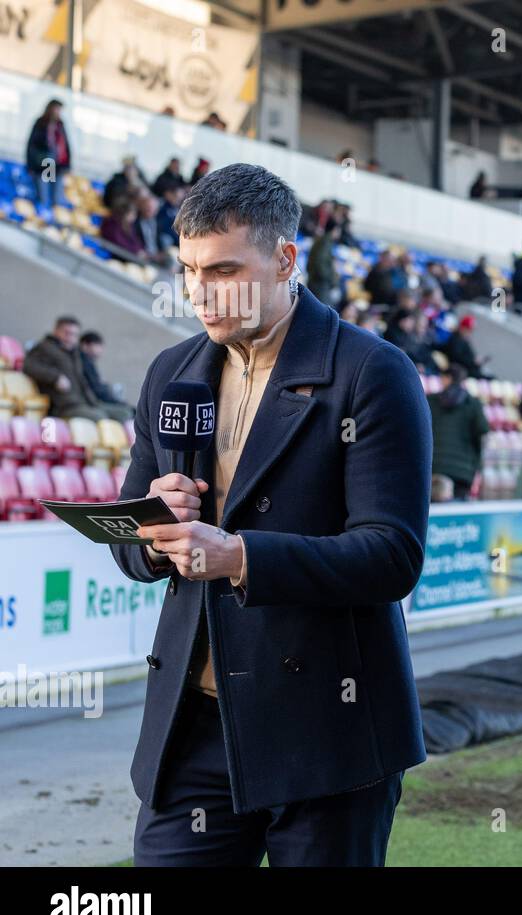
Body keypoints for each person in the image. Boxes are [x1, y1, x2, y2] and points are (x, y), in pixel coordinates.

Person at [108, 162, 432, 866]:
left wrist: (242, 556)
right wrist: (155, 532)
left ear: (286, 259)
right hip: (194, 728)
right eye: (188, 270)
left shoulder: (373, 371)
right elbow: (130, 541)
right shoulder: (171, 371)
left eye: (223, 270)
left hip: (329, 732)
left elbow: (391, 554)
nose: (199, 293)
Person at [24, 316, 132, 422]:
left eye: (74, 335)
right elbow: (28, 366)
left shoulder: (74, 353)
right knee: (99, 417)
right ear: (56, 331)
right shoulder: (44, 347)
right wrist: (55, 377)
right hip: (64, 406)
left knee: (125, 414)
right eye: (67, 333)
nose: (70, 338)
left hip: (87, 402)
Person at [428, 364, 490, 501]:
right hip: (463, 470)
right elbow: (483, 433)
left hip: (434, 468)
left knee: (432, 514)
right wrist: (477, 465)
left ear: (447, 378)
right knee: (457, 513)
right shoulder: (473, 403)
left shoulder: (431, 401)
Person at [78, 330, 135, 419]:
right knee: (126, 413)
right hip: (92, 403)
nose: (101, 350)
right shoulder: (84, 363)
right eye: (98, 345)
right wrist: (117, 402)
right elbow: (98, 391)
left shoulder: (87, 363)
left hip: (94, 401)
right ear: (85, 345)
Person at [25, 99, 71, 209]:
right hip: (44, 164)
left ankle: (52, 222)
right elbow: (31, 145)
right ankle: (41, 219)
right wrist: (31, 164)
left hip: (58, 166)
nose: (58, 112)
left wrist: (67, 164)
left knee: (57, 199)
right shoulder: (41, 123)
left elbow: (66, 145)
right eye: (56, 109)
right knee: (43, 197)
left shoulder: (60, 125)